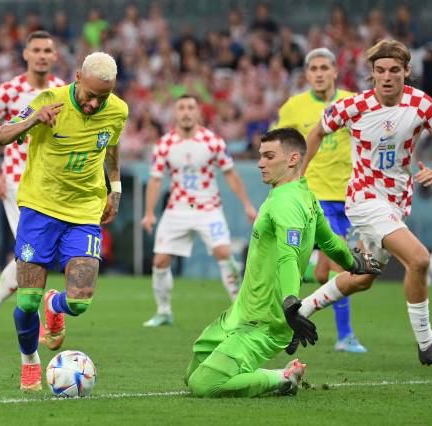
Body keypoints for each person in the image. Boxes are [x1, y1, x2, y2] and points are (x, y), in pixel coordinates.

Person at [297, 39, 432, 367]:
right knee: (418, 260)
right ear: (371, 74)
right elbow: (317, 132)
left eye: (393, 70)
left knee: (364, 277)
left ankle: (299, 311)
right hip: (363, 198)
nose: (387, 76)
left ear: (406, 71)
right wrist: (298, 179)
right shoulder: (354, 107)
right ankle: (427, 345)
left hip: (396, 203)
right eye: (379, 71)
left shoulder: (422, 105)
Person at [185, 128, 381, 398]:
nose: (260, 163)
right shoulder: (305, 197)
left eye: (268, 156)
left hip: (264, 322)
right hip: (239, 314)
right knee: (192, 373)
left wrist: (291, 304)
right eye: (260, 156)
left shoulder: (286, 203)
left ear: (292, 159)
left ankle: (283, 379)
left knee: (204, 384)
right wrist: (354, 262)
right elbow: (330, 242)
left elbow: (288, 256)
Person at [0, 52, 128, 391]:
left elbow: (111, 145)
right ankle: (29, 360)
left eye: (103, 97)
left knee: (79, 301)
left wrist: (116, 186)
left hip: (83, 212)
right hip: (39, 209)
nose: (95, 104)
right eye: (90, 94)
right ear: (77, 76)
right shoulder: (49, 101)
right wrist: (32, 121)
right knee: (25, 302)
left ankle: (56, 304)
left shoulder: (118, 110)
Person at [0, 31, 66, 344]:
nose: (41, 55)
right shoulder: (8, 91)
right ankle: (34, 320)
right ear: (25, 54)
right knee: (32, 256)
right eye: (36, 49)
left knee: (32, 255)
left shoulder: (62, 91)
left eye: (47, 50)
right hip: (17, 181)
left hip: (52, 183)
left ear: (54, 56)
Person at [274, 47, 366, 353]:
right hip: (315, 196)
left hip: (352, 195)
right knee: (345, 267)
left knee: (326, 273)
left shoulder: (352, 103)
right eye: (313, 68)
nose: (319, 73)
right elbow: (279, 147)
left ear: (335, 71)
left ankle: (302, 278)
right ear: (306, 73)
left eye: (324, 67)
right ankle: (346, 336)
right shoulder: (293, 107)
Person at [141, 94, 257, 327]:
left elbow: (230, 174)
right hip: (177, 209)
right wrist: (149, 212)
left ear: (198, 113)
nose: (186, 112)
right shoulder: (165, 144)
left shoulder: (212, 141)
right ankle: (164, 312)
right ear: (175, 113)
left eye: (190, 108)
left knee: (223, 252)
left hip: (208, 208)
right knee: (161, 261)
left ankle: (239, 307)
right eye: (181, 107)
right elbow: (155, 180)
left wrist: (246, 203)